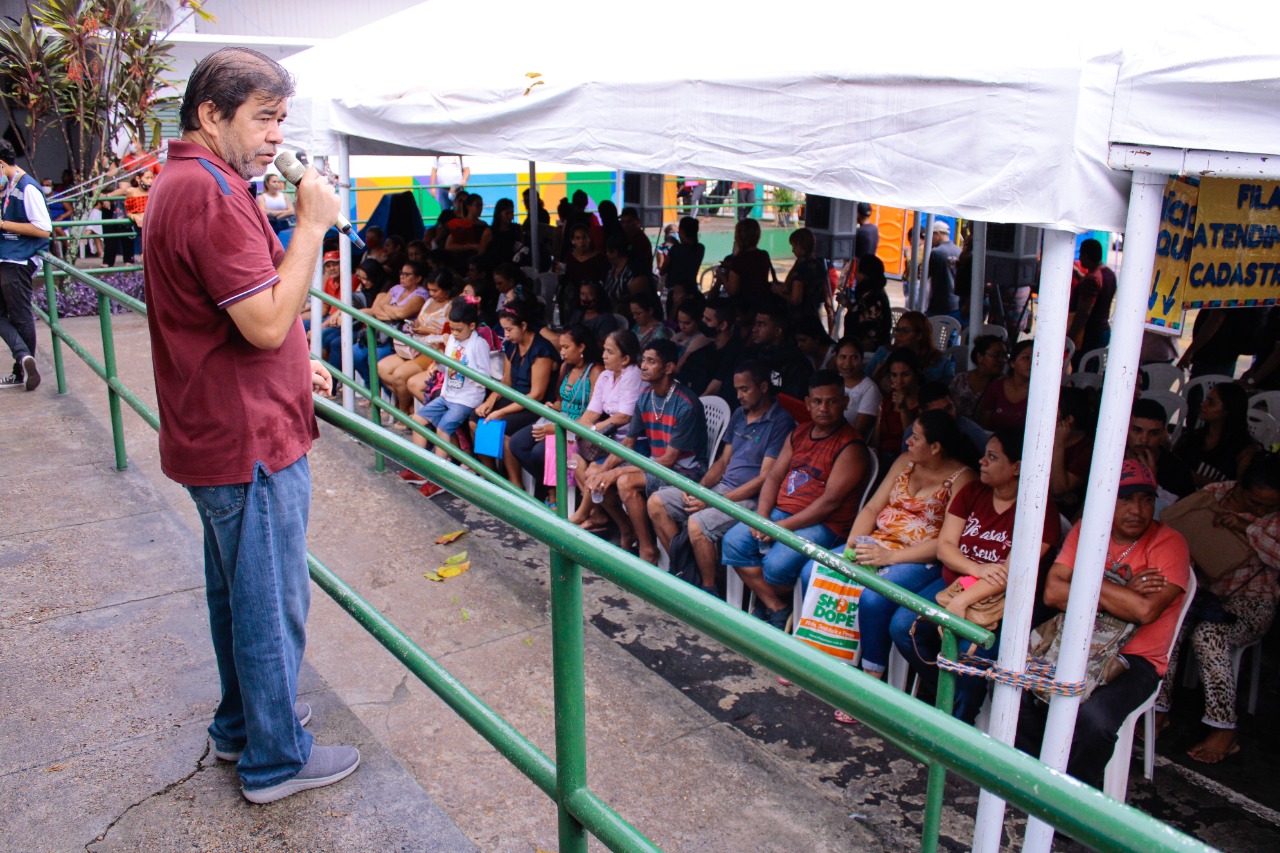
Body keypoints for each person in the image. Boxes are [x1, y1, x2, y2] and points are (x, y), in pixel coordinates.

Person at [142, 47, 358, 803]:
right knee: (271, 604)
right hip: (247, 438)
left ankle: (241, 726)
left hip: (219, 429)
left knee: (241, 593)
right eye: (263, 118)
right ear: (211, 114)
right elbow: (266, 321)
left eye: (280, 120)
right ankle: (276, 758)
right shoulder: (208, 194)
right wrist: (312, 225)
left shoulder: (189, 182)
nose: (275, 136)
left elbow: (248, 317)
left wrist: (299, 360)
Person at [1017, 460, 1189, 789]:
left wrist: (1084, 585)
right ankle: (1029, 779)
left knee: (1094, 719)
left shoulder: (1169, 544)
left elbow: (1144, 611)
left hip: (1136, 659)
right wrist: (1119, 589)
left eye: (1146, 499)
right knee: (1021, 685)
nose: (1137, 510)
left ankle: (1072, 798)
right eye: (1125, 499)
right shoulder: (1088, 529)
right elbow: (1053, 592)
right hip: (1074, 637)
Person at [893, 427, 1061, 723]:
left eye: (992, 457)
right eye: (985, 454)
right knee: (904, 628)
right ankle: (942, 697)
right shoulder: (973, 493)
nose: (981, 461)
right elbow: (945, 547)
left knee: (971, 656)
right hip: (954, 587)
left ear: (1017, 468)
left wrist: (961, 604)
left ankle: (960, 723)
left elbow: (1010, 573)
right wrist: (975, 569)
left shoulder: (1038, 510)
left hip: (998, 604)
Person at [835, 411, 976, 701]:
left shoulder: (963, 478)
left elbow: (946, 541)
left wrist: (887, 557)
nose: (907, 440)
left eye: (916, 437)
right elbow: (873, 509)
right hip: (876, 543)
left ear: (935, 447)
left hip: (919, 559)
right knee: (818, 568)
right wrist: (855, 543)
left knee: (873, 597)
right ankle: (822, 654)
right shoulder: (904, 461)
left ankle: (870, 679)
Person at [1156, 455, 1280, 764]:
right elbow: (1175, 523)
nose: (1262, 510)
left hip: (1252, 604)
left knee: (1209, 635)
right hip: (1203, 596)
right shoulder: (1215, 494)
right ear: (1240, 488)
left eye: (1269, 507)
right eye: (1255, 502)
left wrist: (1247, 527)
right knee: (1166, 622)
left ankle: (1224, 727)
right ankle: (1157, 709)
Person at [722, 370, 870, 628]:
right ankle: (777, 606)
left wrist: (778, 529)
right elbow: (773, 477)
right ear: (808, 403)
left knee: (776, 567)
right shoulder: (800, 432)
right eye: (817, 401)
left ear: (845, 403)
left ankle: (774, 602)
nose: (824, 408)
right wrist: (762, 517)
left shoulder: (851, 446)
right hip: (781, 512)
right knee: (733, 542)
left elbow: (829, 504)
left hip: (824, 524)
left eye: (832, 401)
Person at [647, 361, 795, 594]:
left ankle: (708, 589)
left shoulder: (780, 422)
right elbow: (723, 462)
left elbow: (766, 478)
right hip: (722, 487)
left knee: (698, 525)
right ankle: (686, 571)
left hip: (752, 498)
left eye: (745, 389)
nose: (739, 396)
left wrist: (712, 500)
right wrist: (700, 488)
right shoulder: (738, 414)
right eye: (737, 390)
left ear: (764, 387)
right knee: (657, 502)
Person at [583, 339, 708, 563]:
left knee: (623, 481)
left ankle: (647, 549)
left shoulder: (686, 404)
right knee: (595, 473)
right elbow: (629, 443)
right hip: (655, 464)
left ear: (669, 368)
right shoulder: (645, 398)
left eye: (651, 361)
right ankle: (627, 531)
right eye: (643, 360)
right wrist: (604, 469)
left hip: (685, 472)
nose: (643, 366)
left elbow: (670, 460)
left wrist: (617, 472)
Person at [406, 297, 494, 496]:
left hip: (467, 398)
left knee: (443, 429)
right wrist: (439, 360)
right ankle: (418, 467)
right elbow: (446, 366)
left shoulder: (479, 345)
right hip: (448, 393)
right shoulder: (454, 339)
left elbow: (485, 376)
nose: (453, 333)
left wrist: (462, 368)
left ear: (472, 326)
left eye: (458, 329)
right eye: (452, 328)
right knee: (417, 419)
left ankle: (439, 478)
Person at [508, 325, 604, 496]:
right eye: (561, 348)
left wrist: (558, 429)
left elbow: (592, 414)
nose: (562, 353)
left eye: (566, 347)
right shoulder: (565, 367)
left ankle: (556, 496)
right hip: (558, 420)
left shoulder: (595, 371)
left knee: (539, 452)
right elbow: (560, 401)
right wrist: (553, 407)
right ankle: (551, 489)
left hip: (578, 429)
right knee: (517, 444)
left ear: (582, 347)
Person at [475, 298, 558, 486]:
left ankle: (515, 484)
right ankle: (492, 476)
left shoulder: (541, 350)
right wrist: (490, 402)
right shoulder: (511, 347)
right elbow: (506, 382)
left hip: (534, 406)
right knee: (476, 420)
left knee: (500, 426)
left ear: (524, 325)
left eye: (509, 329)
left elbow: (536, 395)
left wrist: (501, 411)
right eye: (504, 329)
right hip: (515, 399)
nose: (506, 334)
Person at [568, 329, 643, 531]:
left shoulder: (633, 374)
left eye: (610, 352)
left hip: (632, 443)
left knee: (594, 471)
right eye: (604, 350)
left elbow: (624, 416)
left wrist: (591, 430)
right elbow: (591, 412)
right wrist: (578, 428)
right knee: (576, 461)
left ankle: (583, 514)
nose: (603, 356)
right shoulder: (605, 376)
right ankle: (607, 519)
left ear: (626, 358)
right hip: (608, 440)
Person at [0, 140, 51, 390]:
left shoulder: (27, 187)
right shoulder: (7, 187)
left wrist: (3, 224)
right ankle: (23, 358)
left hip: (19, 260)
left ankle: (23, 370)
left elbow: (44, 229)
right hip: (6, 258)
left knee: (20, 316)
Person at [1173, 382, 1261, 486]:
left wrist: (1195, 478)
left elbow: (1241, 488)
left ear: (1227, 411)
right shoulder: (1190, 438)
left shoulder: (1245, 449)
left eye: (1211, 402)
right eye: (1206, 399)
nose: (1203, 404)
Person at [1127, 397, 1197, 501]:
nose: (1144, 440)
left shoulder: (1178, 473)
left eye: (1153, 433)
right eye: (1137, 431)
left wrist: (1152, 484)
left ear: (1163, 433)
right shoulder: (1109, 461)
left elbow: (1183, 514)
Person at [903, 382, 990, 461]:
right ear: (923, 413)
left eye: (949, 408)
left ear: (954, 403)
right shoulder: (911, 435)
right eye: (938, 413)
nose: (946, 416)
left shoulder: (974, 434)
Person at [1049, 386, 1098, 520]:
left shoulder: (1086, 449)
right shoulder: (1043, 437)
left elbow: (1058, 488)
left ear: (1068, 420)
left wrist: (1058, 444)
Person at [867, 310, 952, 385]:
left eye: (905, 331)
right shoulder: (885, 352)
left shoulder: (940, 362)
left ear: (920, 335)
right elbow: (865, 378)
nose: (898, 335)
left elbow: (948, 391)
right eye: (897, 330)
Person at [1067, 238, 1116, 367]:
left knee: (1082, 370)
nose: (1080, 258)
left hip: (1090, 335)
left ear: (1087, 256)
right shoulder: (1108, 273)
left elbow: (1084, 312)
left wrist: (1070, 337)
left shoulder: (1092, 279)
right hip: (1103, 330)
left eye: (1081, 254)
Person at [872, 348, 923, 464]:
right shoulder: (886, 401)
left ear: (917, 373)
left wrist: (904, 409)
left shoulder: (925, 403)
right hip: (882, 461)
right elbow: (876, 440)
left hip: (910, 461)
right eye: (894, 375)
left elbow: (914, 440)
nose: (899, 381)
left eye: (905, 375)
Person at [780, 227, 833, 326]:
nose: (792, 251)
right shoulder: (820, 266)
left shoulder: (801, 268)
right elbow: (827, 299)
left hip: (798, 319)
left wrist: (779, 292)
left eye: (794, 246)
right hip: (814, 317)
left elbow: (796, 299)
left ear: (801, 247)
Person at [976, 338, 1033, 431]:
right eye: (1026, 358)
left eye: (1037, 358)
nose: (1032, 362)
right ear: (1012, 363)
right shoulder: (997, 386)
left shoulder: (1041, 393)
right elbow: (984, 422)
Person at [841, 254, 892, 355]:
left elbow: (868, 331)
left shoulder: (874, 298)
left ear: (866, 274)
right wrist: (850, 306)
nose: (855, 274)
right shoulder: (869, 294)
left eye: (858, 271)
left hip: (868, 354)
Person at [949, 335, 1008, 420]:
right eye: (996, 355)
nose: (1002, 360)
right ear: (980, 357)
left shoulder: (1005, 384)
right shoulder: (960, 379)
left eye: (1005, 356)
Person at [834, 337, 881, 437]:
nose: (847, 363)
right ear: (836, 358)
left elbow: (858, 432)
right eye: (843, 357)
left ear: (861, 359)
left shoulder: (869, 389)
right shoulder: (833, 382)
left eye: (854, 358)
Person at [723, 218, 773, 306]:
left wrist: (721, 277)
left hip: (743, 307)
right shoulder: (764, 255)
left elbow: (733, 291)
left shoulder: (738, 259)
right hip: (760, 303)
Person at [926, 220, 961, 320]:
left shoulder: (936, 252)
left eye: (932, 235)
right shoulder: (959, 251)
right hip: (955, 303)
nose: (931, 239)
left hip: (939, 302)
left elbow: (926, 275)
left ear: (937, 234)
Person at [663, 215, 704, 290]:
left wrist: (675, 246)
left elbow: (663, 270)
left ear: (682, 232)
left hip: (674, 289)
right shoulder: (700, 248)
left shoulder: (675, 249)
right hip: (691, 288)